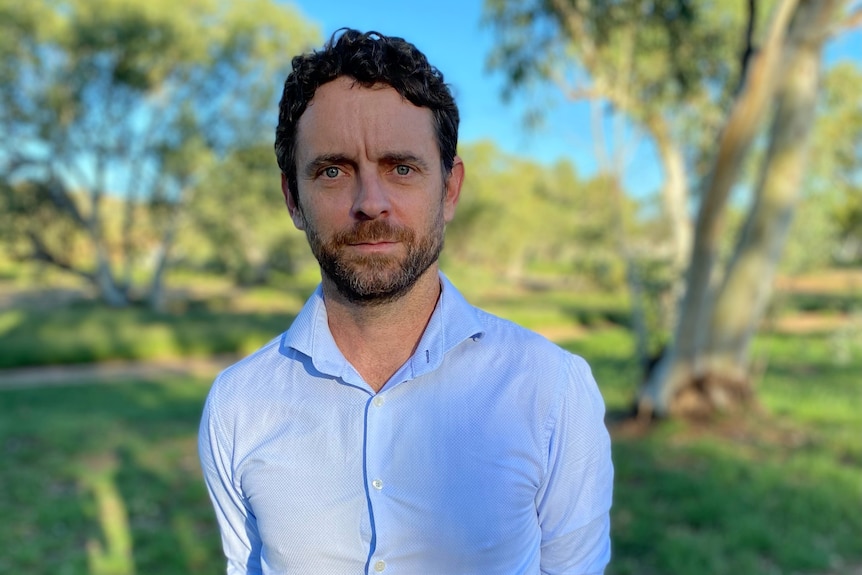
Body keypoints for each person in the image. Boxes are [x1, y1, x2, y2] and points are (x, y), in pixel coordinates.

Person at [199, 28, 614, 575]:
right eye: (332, 170)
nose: (371, 203)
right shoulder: (237, 408)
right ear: (292, 199)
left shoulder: (553, 392)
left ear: (449, 189)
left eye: (401, 167)